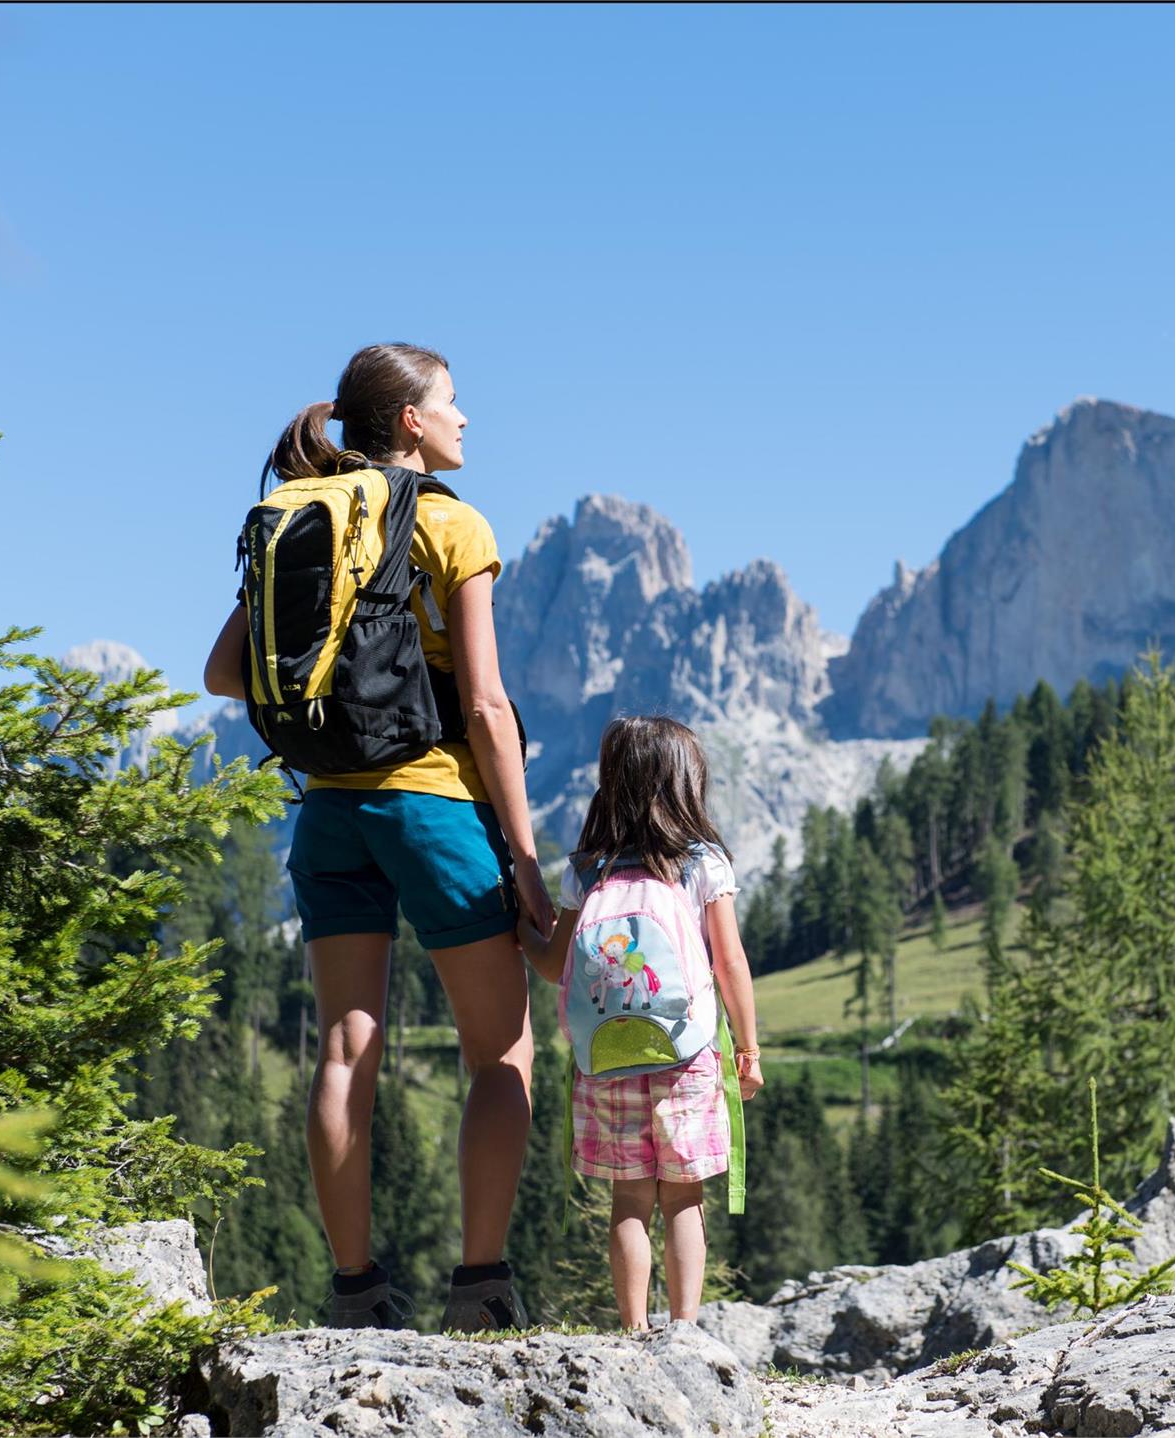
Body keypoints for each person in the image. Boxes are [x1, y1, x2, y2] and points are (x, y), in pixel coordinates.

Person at [203, 343, 557, 1331]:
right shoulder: (452, 525)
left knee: (347, 1046)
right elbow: (486, 706)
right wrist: (525, 860)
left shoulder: (305, 514)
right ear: (409, 420)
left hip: (328, 810)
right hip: (432, 806)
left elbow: (224, 673)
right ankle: (480, 1287)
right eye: (452, 401)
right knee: (500, 1056)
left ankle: (356, 1291)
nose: (465, 418)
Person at [524, 715, 764, 1329]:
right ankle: (683, 1330)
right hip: (688, 1057)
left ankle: (632, 1331)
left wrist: (518, 925)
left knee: (628, 1200)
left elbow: (556, 965)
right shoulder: (700, 862)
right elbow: (730, 961)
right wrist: (750, 1049)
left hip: (605, 1060)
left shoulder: (587, 869)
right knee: (684, 1197)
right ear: (683, 785)